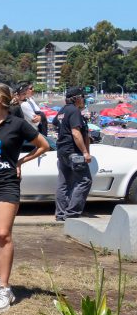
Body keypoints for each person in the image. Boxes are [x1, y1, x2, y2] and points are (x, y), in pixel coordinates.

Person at [0, 83, 48, 311]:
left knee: (2, 233)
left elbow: (43, 145)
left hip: (7, 183)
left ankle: (6, 288)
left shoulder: (17, 124)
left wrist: (20, 162)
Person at [56, 86, 93, 221]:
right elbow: (76, 133)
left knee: (64, 183)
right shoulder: (74, 111)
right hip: (73, 152)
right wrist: (85, 152)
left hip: (62, 151)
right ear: (77, 98)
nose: (84, 100)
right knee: (85, 181)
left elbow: (56, 124)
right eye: (83, 97)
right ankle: (72, 213)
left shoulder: (62, 111)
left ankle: (61, 214)